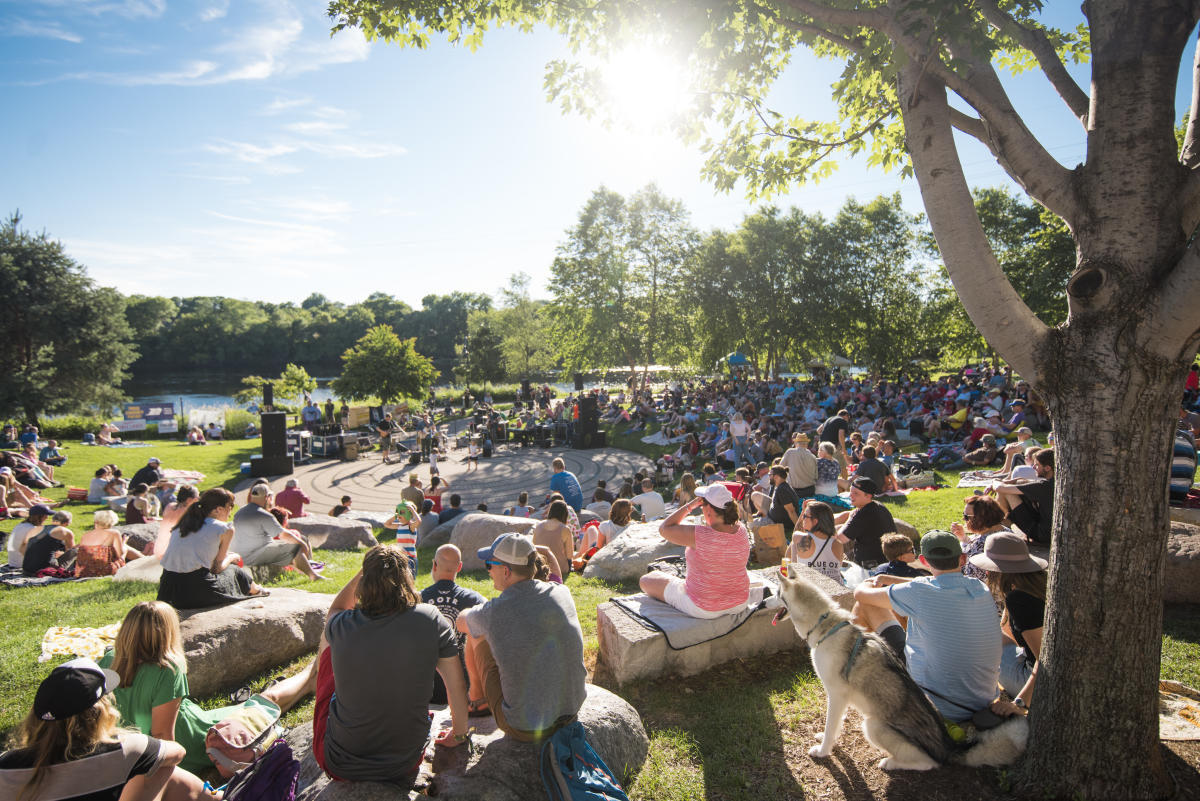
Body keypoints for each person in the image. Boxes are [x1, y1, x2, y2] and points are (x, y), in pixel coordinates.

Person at [99, 601, 316, 776]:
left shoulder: (108, 660)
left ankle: (308, 679)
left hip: (131, 749)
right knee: (264, 703)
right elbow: (163, 734)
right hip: (193, 739)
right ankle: (310, 675)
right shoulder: (167, 670)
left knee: (258, 704)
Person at [315, 545, 470, 786]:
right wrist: (459, 733)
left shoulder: (342, 624)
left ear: (365, 581)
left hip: (340, 763)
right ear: (407, 580)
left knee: (328, 655)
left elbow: (336, 608)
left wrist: (368, 569)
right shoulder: (431, 618)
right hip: (404, 762)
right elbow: (456, 686)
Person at [0, 657, 208, 801]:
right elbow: (177, 752)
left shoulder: (6, 766)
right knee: (162, 768)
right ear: (99, 713)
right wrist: (120, 737)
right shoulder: (127, 750)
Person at [852, 531, 1001, 722]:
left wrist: (870, 582)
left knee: (867, 604)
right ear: (962, 559)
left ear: (924, 561)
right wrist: (890, 580)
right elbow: (931, 584)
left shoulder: (918, 592)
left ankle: (853, 672)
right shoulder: (980, 587)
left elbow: (860, 594)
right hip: (981, 700)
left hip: (934, 704)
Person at [456, 534, 587, 738]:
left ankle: (477, 700)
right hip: (571, 711)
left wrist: (478, 612)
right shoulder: (562, 592)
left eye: (489, 565)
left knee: (476, 633)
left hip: (523, 727)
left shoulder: (493, 612)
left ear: (506, 571)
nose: (488, 572)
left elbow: (461, 622)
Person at [640, 484, 751, 619]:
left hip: (704, 607)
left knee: (646, 580)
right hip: (740, 602)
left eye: (702, 504)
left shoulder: (699, 535)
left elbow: (664, 528)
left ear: (709, 508)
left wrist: (690, 506)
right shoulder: (742, 529)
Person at [968, 532, 1047, 717]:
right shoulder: (1040, 583)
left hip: (1038, 680)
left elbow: (1044, 660)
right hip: (1038, 666)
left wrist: (1018, 703)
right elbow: (1007, 633)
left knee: (987, 647)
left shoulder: (1020, 600)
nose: (987, 573)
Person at [156, 487, 266, 610]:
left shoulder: (184, 524)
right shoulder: (224, 529)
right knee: (233, 570)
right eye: (229, 508)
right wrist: (232, 557)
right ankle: (256, 590)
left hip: (167, 591)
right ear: (218, 509)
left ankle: (256, 589)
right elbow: (216, 568)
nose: (230, 513)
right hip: (195, 592)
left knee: (229, 567)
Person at [421, 545, 486, 704]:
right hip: (464, 687)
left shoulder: (418, 599)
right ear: (460, 567)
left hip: (427, 690)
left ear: (434, 565)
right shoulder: (476, 601)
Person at [232, 484, 323, 581]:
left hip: (241, 554)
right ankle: (313, 576)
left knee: (284, 548)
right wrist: (302, 543)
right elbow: (284, 535)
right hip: (254, 554)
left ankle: (303, 570)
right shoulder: (263, 514)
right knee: (296, 548)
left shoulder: (240, 512)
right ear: (267, 498)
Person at [991, 448, 1055, 545]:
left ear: (1047, 468)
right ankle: (1004, 524)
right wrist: (1013, 481)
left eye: (1037, 465)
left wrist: (993, 482)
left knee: (1006, 492)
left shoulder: (1043, 486)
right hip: (1050, 531)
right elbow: (1026, 482)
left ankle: (998, 526)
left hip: (1041, 534)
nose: (1033, 467)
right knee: (1017, 484)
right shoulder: (1055, 482)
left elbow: (1000, 488)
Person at [833, 476, 894, 569]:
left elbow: (840, 539)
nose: (850, 495)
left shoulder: (864, 514)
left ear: (868, 495)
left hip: (871, 564)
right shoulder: (878, 506)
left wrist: (850, 518)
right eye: (850, 491)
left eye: (856, 493)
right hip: (887, 558)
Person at [951, 495, 1010, 581]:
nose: (963, 519)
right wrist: (964, 538)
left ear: (981, 519)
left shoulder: (984, 544)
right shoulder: (1004, 530)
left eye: (967, 517)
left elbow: (970, 575)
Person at [786, 500, 843, 583]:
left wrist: (802, 511)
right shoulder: (838, 544)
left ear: (815, 521)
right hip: (836, 588)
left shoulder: (798, 537)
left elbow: (790, 563)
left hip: (812, 590)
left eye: (805, 516)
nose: (802, 518)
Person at [76, 510, 143, 578]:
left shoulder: (85, 535)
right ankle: (145, 560)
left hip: (83, 572)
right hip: (104, 571)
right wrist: (123, 542)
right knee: (125, 548)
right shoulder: (114, 533)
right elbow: (120, 554)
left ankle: (145, 558)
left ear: (96, 521)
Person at [572, 498, 634, 571]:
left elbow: (598, 548)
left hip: (607, 554)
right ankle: (578, 554)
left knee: (591, 529)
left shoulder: (606, 525)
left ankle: (578, 556)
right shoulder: (632, 526)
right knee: (589, 532)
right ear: (628, 512)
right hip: (621, 554)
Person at [21, 509, 76, 576]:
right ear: (67, 523)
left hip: (27, 570)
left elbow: (22, 549)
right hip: (46, 570)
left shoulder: (37, 528)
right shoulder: (66, 531)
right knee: (75, 551)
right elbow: (70, 550)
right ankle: (71, 569)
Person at [531, 500, 574, 583]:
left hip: (539, 566)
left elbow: (533, 546)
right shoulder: (565, 529)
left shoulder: (539, 525)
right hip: (559, 568)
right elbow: (570, 555)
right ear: (565, 514)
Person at [751, 465, 800, 535]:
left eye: (770, 475)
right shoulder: (780, 485)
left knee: (750, 524)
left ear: (776, 476)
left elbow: (791, 511)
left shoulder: (782, 490)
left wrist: (798, 529)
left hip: (777, 522)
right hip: (772, 512)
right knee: (755, 495)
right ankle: (762, 515)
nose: (768, 477)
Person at [6, 503, 53, 570]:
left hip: (14, 562)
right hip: (22, 564)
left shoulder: (20, 525)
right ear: (39, 516)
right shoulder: (32, 529)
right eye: (46, 515)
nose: (47, 517)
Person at [384, 500, 421, 576]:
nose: (400, 515)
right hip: (400, 556)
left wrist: (413, 510)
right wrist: (396, 515)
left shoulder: (411, 526)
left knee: (410, 579)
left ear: (410, 515)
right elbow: (387, 524)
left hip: (410, 558)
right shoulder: (399, 525)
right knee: (401, 578)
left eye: (402, 512)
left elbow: (418, 521)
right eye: (399, 512)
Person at [780, 432, 818, 498]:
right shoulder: (813, 457)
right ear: (806, 444)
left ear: (795, 443)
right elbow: (816, 477)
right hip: (810, 491)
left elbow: (780, 468)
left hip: (795, 492)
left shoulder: (790, 452)